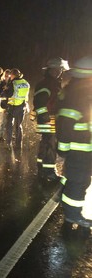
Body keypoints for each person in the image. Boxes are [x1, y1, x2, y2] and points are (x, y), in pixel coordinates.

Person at [55, 55, 92, 228]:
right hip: (80, 149)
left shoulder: (77, 91)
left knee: (77, 178)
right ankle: (72, 215)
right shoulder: (80, 94)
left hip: (82, 149)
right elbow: (67, 123)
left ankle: (63, 195)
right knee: (79, 180)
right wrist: (63, 149)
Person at [33, 57, 70, 181]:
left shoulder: (49, 82)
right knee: (51, 145)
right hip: (49, 120)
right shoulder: (49, 84)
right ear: (53, 70)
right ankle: (49, 172)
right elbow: (39, 101)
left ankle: (42, 168)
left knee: (45, 143)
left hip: (48, 119)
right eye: (59, 69)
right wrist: (45, 116)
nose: (61, 72)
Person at [1, 68, 30, 150]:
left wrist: (4, 91)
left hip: (12, 107)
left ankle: (8, 144)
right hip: (22, 106)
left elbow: (8, 94)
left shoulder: (13, 83)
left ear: (13, 75)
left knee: (9, 125)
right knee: (19, 126)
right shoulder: (26, 83)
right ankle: (18, 144)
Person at [0, 69, 11, 142]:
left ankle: (8, 135)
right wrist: (4, 90)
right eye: (6, 75)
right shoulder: (1, 83)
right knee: (2, 121)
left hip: (10, 104)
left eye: (8, 76)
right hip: (3, 104)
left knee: (9, 121)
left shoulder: (11, 83)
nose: (7, 77)